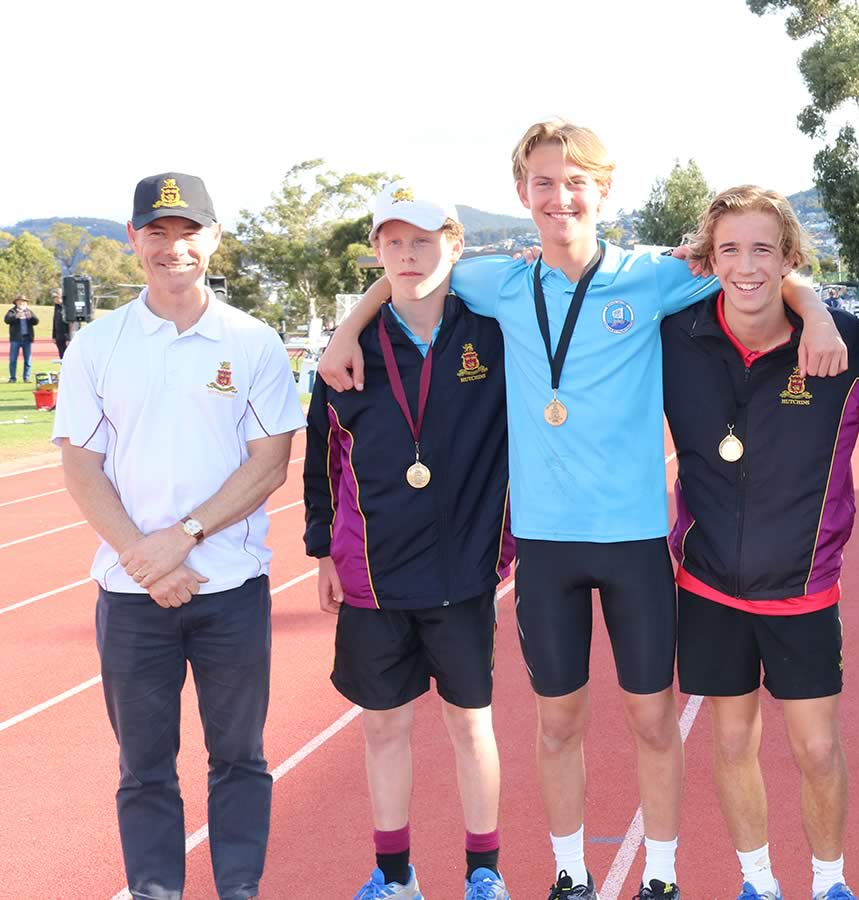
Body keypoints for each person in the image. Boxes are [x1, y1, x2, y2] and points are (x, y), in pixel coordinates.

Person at [318, 120, 846, 900]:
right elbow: (410, 270)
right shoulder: (496, 280)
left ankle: (660, 874)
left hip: (634, 542)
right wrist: (347, 328)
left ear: (603, 190)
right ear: (521, 192)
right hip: (546, 546)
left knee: (651, 718)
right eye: (542, 181)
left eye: (575, 182)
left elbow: (760, 268)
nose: (559, 196)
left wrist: (822, 311)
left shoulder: (652, 275)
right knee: (558, 722)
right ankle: (570, 871)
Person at [51, 172, 304, 900]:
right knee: (143, 766)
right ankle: (156, 891)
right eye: (155, 232)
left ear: (213, 238)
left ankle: (239, 890)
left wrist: (184, 538)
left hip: (230, 589)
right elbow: (81, 466)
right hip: (133, 599)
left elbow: (270, 464)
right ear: (133, 240)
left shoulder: (252, 342)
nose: (172, 247)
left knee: (239, 758)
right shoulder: (98, 345)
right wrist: (148, 557)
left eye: (187, 231)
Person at [662, 186, 859, 900]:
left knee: (817, 748)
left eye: (763, 249)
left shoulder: (843, 346)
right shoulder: (676, 336)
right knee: (731, 742)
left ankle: (829, 883)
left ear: (789, 258)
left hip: (803, 586)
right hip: (709, 584)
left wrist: (815, 309)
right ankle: (757, 881)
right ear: (710, 258)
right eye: (730, 249)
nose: (746, 265)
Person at [303, 182, 515, 900]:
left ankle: (484, 870)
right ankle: (394, 875)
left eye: (422, 240)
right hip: (373, 573)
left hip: (462, 570)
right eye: (392, 242)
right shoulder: (349, 353)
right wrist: (321, 550)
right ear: (377, 254)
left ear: (454, 245)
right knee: (384, 729)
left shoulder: (492, 332)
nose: (407, 254)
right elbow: (322, 460)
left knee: (470, 724)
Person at [6, 294, 36, 381]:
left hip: (27, 338)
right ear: (16, 302)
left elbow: (36, 321)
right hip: (16, 339)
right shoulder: (12, 311)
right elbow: (7, 320)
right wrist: (16, 316)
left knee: (28, 360)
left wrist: (31, 317)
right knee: (13, 360)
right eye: (20, 301)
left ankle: (26, 377)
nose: (21, 303)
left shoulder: (28, 311)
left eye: (23, 301)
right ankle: (12, 378)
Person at [52, 287, 73, 360]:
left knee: (68, 357)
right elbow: (55, 321)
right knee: (62, 356)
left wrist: (68, 338)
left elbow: (70, 324)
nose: (55, 299)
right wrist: (54, 336)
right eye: (54, 297)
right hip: (59, 337)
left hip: (66, 337)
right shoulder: (56, 307)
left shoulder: (68, 307)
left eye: (56, 297)